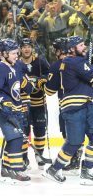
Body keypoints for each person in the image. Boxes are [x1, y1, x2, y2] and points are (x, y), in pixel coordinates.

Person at [44, 36, 93, 185]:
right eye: (81, 45)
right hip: (75, 107)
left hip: (84, 105)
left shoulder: (74, 61)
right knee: (74, 142)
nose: (84, 47)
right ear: (72, 49)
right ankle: (54, 168)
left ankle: (87, 169)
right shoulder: (73, 61)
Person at [0, 38, 31, 182]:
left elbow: (22, 85)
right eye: (13, 53)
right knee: (15, 137)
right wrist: (3, 102)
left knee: (14, 138)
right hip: (3, 111)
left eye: (16, 53)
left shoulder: (16, 65)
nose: (16, 56)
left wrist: (31, 84)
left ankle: (6, 168)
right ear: (4, 54)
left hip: (16, 110)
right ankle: (16, 169)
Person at [19, 38, 49, 170]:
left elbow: (50, 75)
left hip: (39, 103)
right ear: (20, 49)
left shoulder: (41, 62)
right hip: (23, 103)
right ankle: (24, 158)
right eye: (24, 46)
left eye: (29, 46)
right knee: (24, 132)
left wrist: (43, 80)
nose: (27, 49)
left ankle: (39, 155)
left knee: (40, 130)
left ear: (32, 48)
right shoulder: (17, 63)